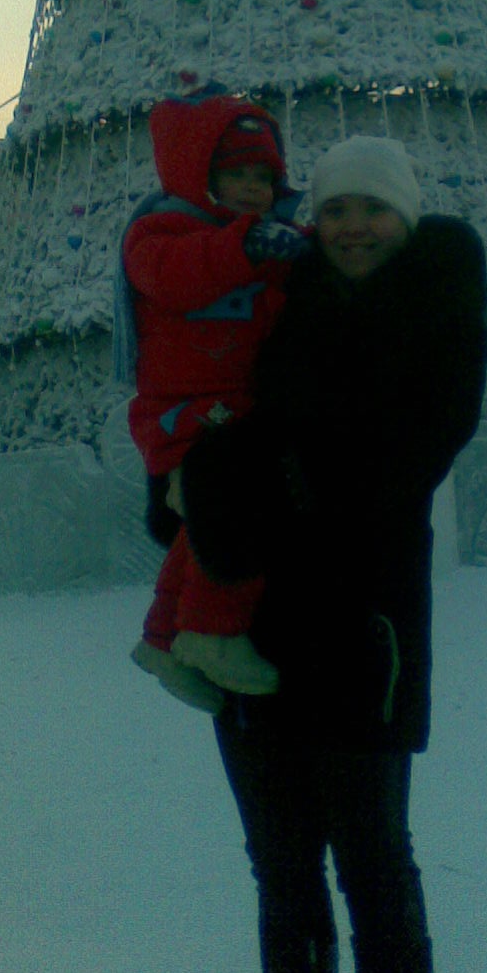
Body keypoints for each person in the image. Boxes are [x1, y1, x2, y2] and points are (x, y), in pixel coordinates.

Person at [179, 134, 487, 973]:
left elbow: (399, 463)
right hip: (256, 633)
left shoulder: (437, 310)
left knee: (373, 859)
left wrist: (251, 478)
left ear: (407, 216)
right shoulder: (282, 301)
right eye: (336, 210)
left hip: (366, 634)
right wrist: (197, 486)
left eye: (374, 209)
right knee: (280, 867)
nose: (354, 227)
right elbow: (208, 419)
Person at [123, 88, 305, 713]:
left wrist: (304, 246)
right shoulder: (161, 232)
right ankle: (211, 630)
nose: (253, 188)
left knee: (197, 532)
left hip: (227, 406)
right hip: (188, 414)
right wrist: (247, 245)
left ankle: (163, 638)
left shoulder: (258, 238)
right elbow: (179, 274)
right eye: (237, 174)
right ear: (199, 174)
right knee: (243, 499)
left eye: (264, 177)